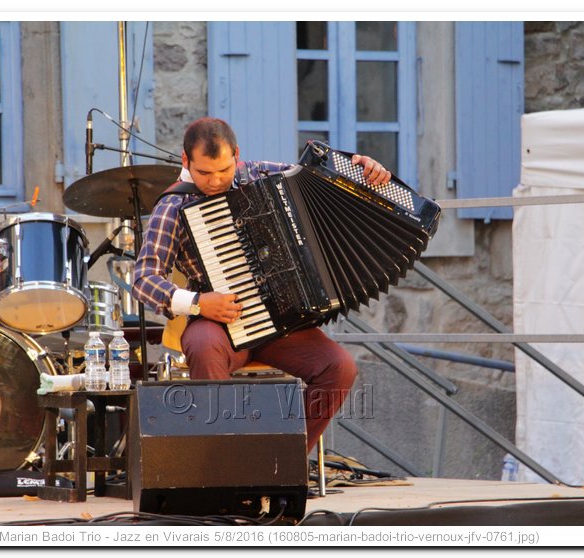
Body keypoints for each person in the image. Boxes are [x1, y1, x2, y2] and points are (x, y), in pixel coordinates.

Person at [132, 117, 392, 454]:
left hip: (282, 321)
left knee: (339, 367)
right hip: (219, 322)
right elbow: (143, 278)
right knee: (203, 346)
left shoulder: (260, 174)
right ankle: (222, 465)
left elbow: (319, 176)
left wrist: (360, 167)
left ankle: (283, 463)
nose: (215, 181)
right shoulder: (173, 206)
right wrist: (198, 303)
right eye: (204, 173)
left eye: (224, 170)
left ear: (237, 155)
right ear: (186, 162)